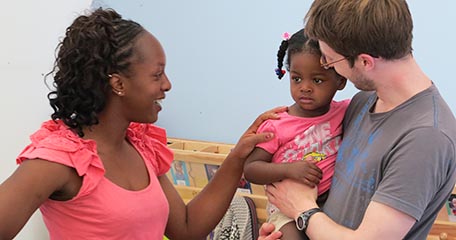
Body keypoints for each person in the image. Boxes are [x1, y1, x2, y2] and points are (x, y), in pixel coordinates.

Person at [0, 8, 286, 239]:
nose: (167, 85)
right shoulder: (59, 160)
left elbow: (186, 228)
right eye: (156, 75)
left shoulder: (140, 148)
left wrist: (237, 157)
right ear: (118, 83)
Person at [259, 0, 456, 239]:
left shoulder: (427, 137)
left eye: (330, 61)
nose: (330, 67)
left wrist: (301, 208)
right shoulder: (362, 103)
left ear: (364, 61)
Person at [243, 29, 348, 240]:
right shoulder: (277, 124)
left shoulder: (346, 111)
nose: (305, 88)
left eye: (317, 80)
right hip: (285, 208)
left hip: (330, 205)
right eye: (297, 79)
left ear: (341, 81)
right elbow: (251, 169)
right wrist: (290, 170)